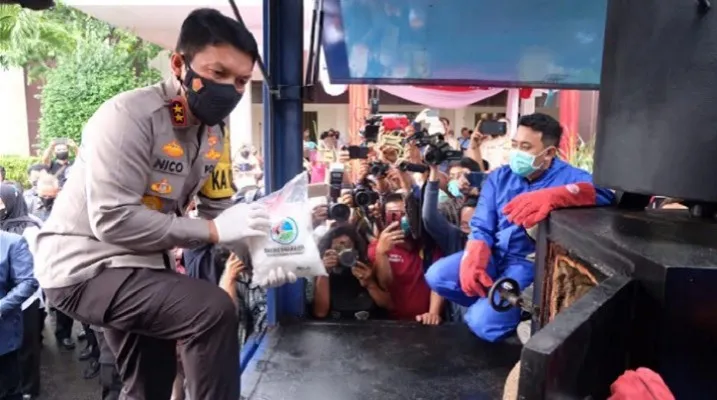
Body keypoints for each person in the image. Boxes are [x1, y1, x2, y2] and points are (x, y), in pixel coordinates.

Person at [33, 9, 293, 400]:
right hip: (85, 269)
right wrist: (212, 230)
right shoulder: (129, 116)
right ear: (178, 64)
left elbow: (216, 213)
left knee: (150, 387)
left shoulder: (214, 134)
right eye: (218, 73)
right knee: (212, 312)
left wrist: (265, 253)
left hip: (142, 269)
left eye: (241, 81)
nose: (231, 90)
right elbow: (113, 220)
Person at [425, 113, 615, 342]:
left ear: (549, 153)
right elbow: (482, 222)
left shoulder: (570, 177)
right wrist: (476, 251)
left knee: (481, 323)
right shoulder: (500, 177)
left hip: (527, 263)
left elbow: (607, 193)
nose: (517, 152)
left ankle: (513, 314)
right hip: (494, 253)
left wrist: (560, 195)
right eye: (514, 144)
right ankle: (495, 306)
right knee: (437, 276)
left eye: (526, 146)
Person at [0, 184, 43, 400]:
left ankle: (29, 390)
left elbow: (31, 277)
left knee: (27, 348)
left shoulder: (23, 233)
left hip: (21, 306)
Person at [0, 230, 38, 400]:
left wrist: (1, 307)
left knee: (9, 389)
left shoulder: (12, 242)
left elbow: (28, 282)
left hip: (3, 333)